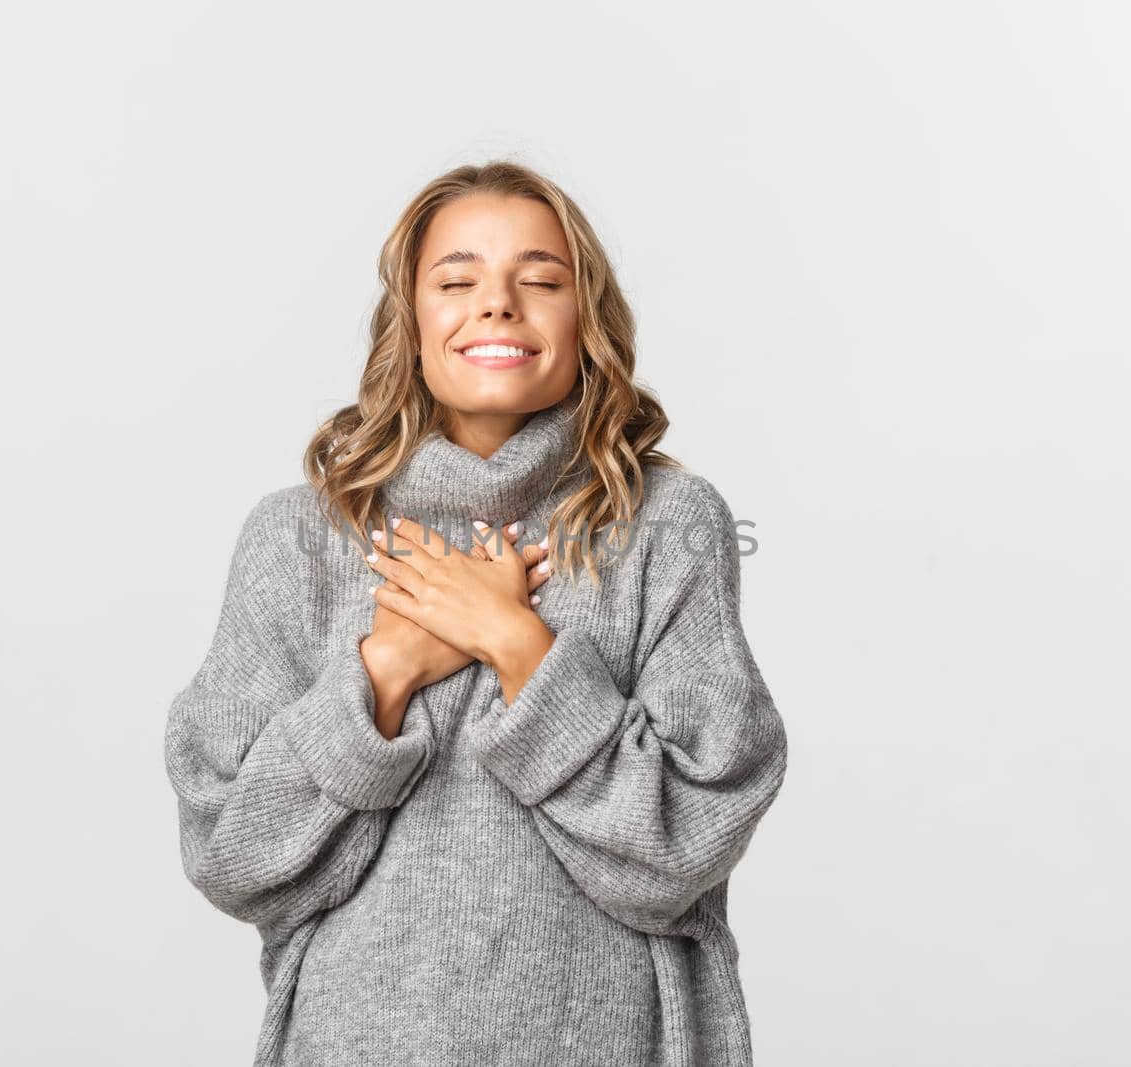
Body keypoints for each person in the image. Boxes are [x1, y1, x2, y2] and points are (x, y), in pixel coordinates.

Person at [163, 160, 789, 1065]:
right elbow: (233, 852)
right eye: (456, 280)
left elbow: (694, 837)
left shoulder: (669, 524)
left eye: (540, 280)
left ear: (588, 321)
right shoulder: (300, 535)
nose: (497, 304)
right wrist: (387, 671)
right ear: (410, 322)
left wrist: (517, 644)